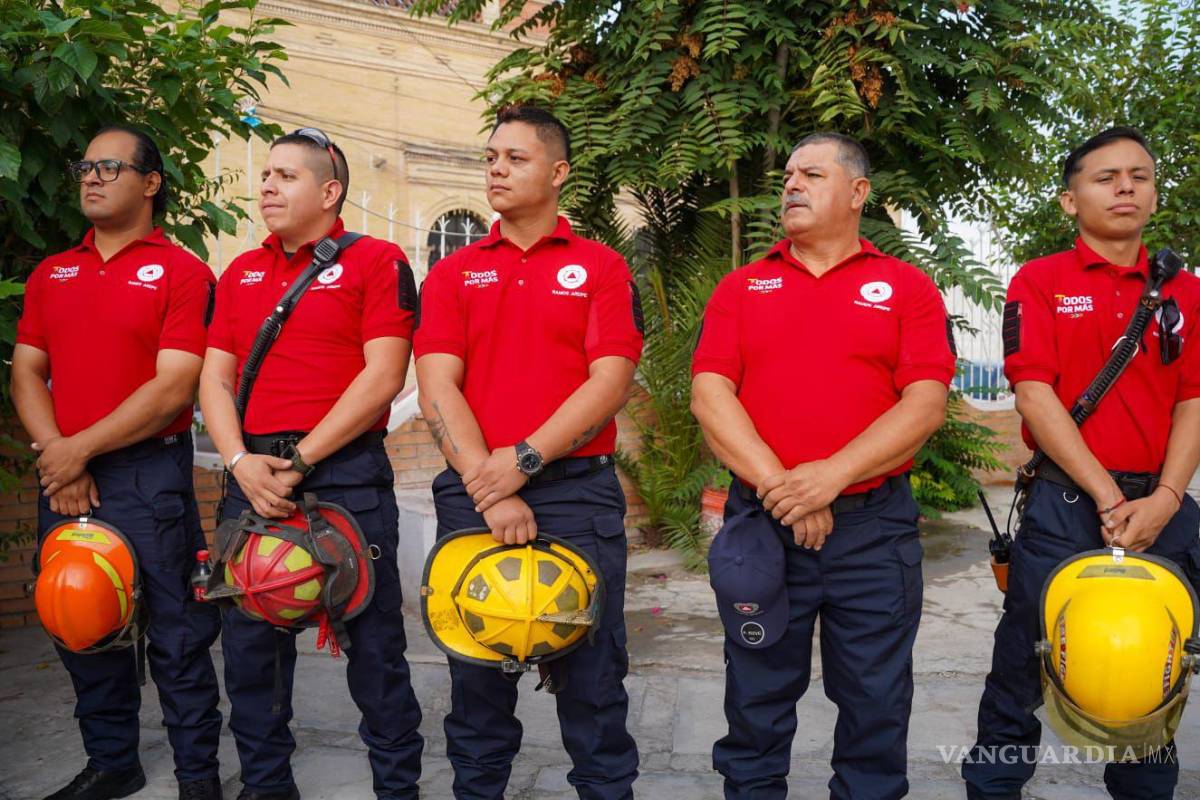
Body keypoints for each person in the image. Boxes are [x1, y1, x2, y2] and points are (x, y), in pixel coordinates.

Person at [691, 132, 955, 799]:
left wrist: (829, 477)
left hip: (873, 536)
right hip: (763, 530)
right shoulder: (744, 288)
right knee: (754, 712)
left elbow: (924, 404)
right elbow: (710, 394)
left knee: (875, 712)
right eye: (787, 175)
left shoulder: (906, 289)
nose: (791, 185)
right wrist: (790, 492)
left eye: (811, 173)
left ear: (858, 192)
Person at [413, 104, 643, 800]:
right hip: (473, 492)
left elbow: (610, 381)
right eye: (490, 158)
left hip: (576, 495)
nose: (497, 170)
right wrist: (493, 484)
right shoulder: (454, 274)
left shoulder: (600, 268)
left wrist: (524, 462)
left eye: (515, 157)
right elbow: (435, 383)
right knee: (476, 679)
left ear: (558, 171)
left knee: (592, 680)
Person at [963, 126, 1200, 800]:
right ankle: (994, 787)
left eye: (1139, 176)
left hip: (1162, 506)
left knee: (1151, 670)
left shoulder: (1187, 290)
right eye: (1106, 177)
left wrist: (1167, 499)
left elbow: (1193, 399)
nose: (1126, 187)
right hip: (1067, 506)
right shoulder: (1040, 283)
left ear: (1154, 193)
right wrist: (1104, 494)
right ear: (1070, 200)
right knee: (1022, 669)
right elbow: (1034, 395)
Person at [198, 127, 423, 800]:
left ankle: (397, 787)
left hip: (344, 478)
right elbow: (214, 379)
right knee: (249, 652)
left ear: (330, 192)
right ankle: (267, 787)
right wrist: (239, 461)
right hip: (251, 479)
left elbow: (383, 377)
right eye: (265, 174)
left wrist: (297, 463)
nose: (267, 185)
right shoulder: (239, 272)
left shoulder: (376, 261)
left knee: (375, 652)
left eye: (286, 176)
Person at [13, 126, 223, 800]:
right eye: (85, 167)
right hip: (66, 477)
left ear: (151, 182)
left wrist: (78, 449)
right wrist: (60, 456)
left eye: (110, 166)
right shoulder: (53, 273)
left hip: (147, 477)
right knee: (79, 618)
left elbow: (171, 386)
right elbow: (26, 373)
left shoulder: (185, 272)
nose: (91, 177)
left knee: (177, 635)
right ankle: (112, 763)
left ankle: (198, 777)